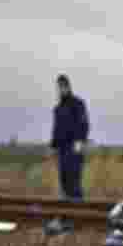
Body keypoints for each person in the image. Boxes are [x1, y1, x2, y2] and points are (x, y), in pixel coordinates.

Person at [50, 74, 90, 202]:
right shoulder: (58, 108)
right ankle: (67, 216)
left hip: (74, 148)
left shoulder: (78, 104)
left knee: (74, 182)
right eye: (59, 87)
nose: (61, 89)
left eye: (63, 86)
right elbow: (56, 129)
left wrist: (80, 143)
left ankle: (79, 213)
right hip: (62, 150)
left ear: (68, 87)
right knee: (64, 182)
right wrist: (53, 146)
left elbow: (84, 124)